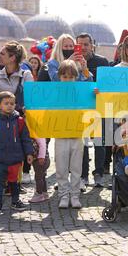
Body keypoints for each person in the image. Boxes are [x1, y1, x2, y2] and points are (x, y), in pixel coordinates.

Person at [0, 91, 33, 212]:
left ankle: (15, 201)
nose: (10, 105)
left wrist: (29, 153)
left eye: (12, 103)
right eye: (6, 103)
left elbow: (26, 139)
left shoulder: (20, 121)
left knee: (14, 181)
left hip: (15, 158)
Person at [76, 33, 109, 188]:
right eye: (80, 44)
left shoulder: (102, 62)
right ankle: (83, 176)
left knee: (99, 143)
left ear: (92, 45)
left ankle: (99, 174)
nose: (83, 47)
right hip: (80, 108)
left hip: (98, 107)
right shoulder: (72, 62)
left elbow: (107, 84)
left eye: (86, 44)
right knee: (81, 143)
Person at [55, 60, 85, 209]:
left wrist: (95, 94)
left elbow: (90, 105)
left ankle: (75, 194)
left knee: (76, 167)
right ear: (59, 77)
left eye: (71, 77)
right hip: (60, 134)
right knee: (61, 166)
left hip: (77, 135)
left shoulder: (80, 92)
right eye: (65, 76)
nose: (68, 80)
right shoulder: (53, 92)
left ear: (76, 78)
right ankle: (63, 195)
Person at [29, 137, 50, 204]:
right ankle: (44, 193)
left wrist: (41, 157)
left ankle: (39, 194)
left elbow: (42, 144)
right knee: (42, 176)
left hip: (40, 160)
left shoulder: (38, 134)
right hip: (41, 159)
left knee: (38, 178)